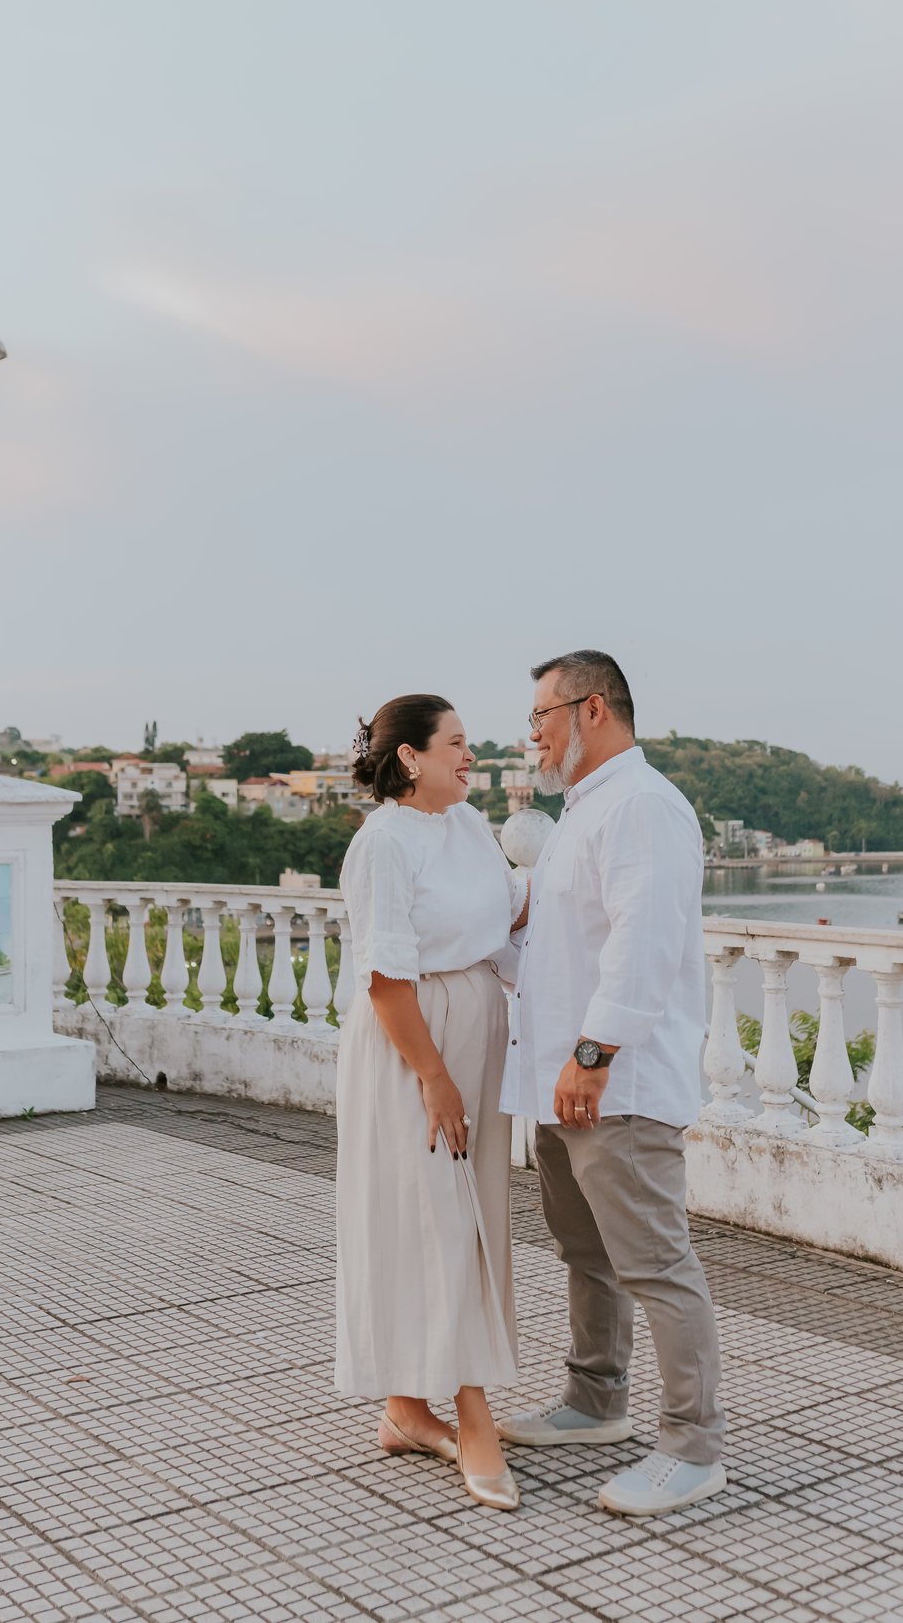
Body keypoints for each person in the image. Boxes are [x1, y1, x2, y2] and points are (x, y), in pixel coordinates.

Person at [498, 650, 726, 1516]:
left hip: (614, 1084)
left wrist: (595, 1054)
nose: (532, 735)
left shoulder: (643, 806)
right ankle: (597, 1400)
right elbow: (557, 952)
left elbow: (645, 942)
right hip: (563, 1082)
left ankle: (694, 1444)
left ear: (592, 709)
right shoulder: (582, 812)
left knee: (657, 1262)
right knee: (585, 1251)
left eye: (541, 716)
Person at [335, 693, 529, 1511]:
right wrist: (433, 1074)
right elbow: (385, 976)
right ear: (410, 756)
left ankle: (407, 1408)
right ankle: (471, 1405)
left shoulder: (470, 825)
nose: (470, 756)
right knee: (437, 1218)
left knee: (472, 1211)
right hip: (416, 1041)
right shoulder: (384, 842)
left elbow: (509, 909)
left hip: (477, 1022)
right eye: (456, 743)